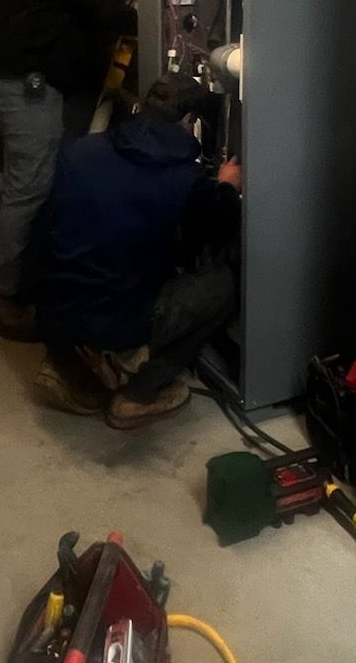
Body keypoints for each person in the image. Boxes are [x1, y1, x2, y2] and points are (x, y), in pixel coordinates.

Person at [30, 74, 241, 429]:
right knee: (223, 284)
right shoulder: (182, 179)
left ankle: (70, 365)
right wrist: (226, 186)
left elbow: (43, 230)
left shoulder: (81, 150)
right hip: (113, 322)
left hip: (54, 311)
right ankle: (137, 388)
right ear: (190, 121)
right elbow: (219, 226)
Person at [0, 0, 135, 339]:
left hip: (21, 87)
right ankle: (4, 297)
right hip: (28, 92)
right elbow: (108, 8)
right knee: (28, 190)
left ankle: (25, 278)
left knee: (32, 184)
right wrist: (140, 17)